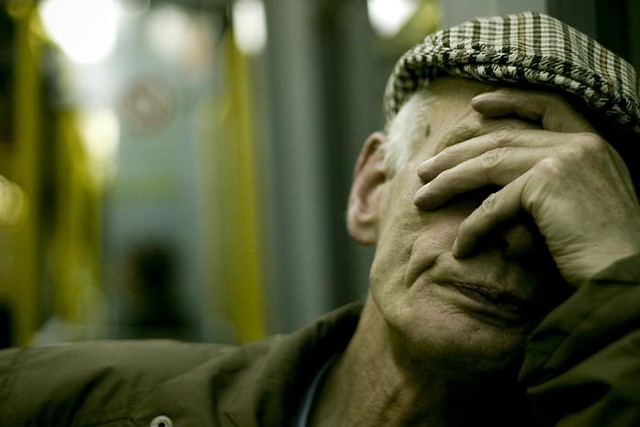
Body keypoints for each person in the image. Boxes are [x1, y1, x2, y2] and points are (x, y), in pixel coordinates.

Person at [1, 11, 640, 427]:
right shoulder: (70, 403)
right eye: (472, 178)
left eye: (555, 212)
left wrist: (622, 286)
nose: (510, 236)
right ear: (369, 191)